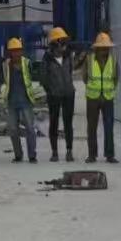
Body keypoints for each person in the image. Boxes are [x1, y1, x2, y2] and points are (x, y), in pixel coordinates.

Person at [39, 26, 77, 162]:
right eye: (62, 42)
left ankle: (69, 151)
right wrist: (50, 90)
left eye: (65, 42)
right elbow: (43, 77)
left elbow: (70, 72)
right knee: (54, 123)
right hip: (54, 95)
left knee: (68, 123)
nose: (64, 45)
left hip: (68, 94)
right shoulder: (47, 59)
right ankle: (54, 152)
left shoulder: (68, 57)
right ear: (55, 43)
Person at [2, 36, 39, 163]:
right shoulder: (6, 65)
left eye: (18, 50)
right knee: (13, 129)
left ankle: (32, 155)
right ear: (10, 52)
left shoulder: (27, 63)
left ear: (21, 51)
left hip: (25, 100)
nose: (16, 53)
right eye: (13, 51)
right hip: (12, 101)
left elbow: (32, 77)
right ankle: (18, 154)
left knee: (30, 128)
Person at [83, 32, 117, 164]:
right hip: (92, 98)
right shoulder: (89, 60)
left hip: (108, 98)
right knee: (92, 128)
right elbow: (85, 77)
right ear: (96, 48)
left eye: (106, 48)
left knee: (109, 127)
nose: (104, 50)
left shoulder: (113, 61)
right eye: (102, 48)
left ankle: (110, 155)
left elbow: (116, 78)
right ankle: (92, 155)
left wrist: (108, 89)